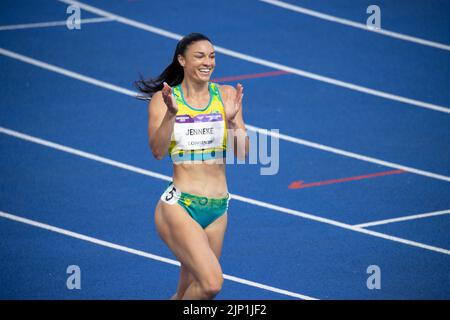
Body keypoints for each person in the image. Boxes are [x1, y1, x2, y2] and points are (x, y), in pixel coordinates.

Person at [135, 32, 249, 300]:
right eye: (199, 56)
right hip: (181, 206)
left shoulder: (227, 95)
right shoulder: (165, 100)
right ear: (182, 60)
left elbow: (242, 154)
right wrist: (172, 115)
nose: (208, 62)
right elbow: (157, 151)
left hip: (219, 209)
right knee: (211, 283)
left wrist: (233, 123)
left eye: (212, 56)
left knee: (189, 292)